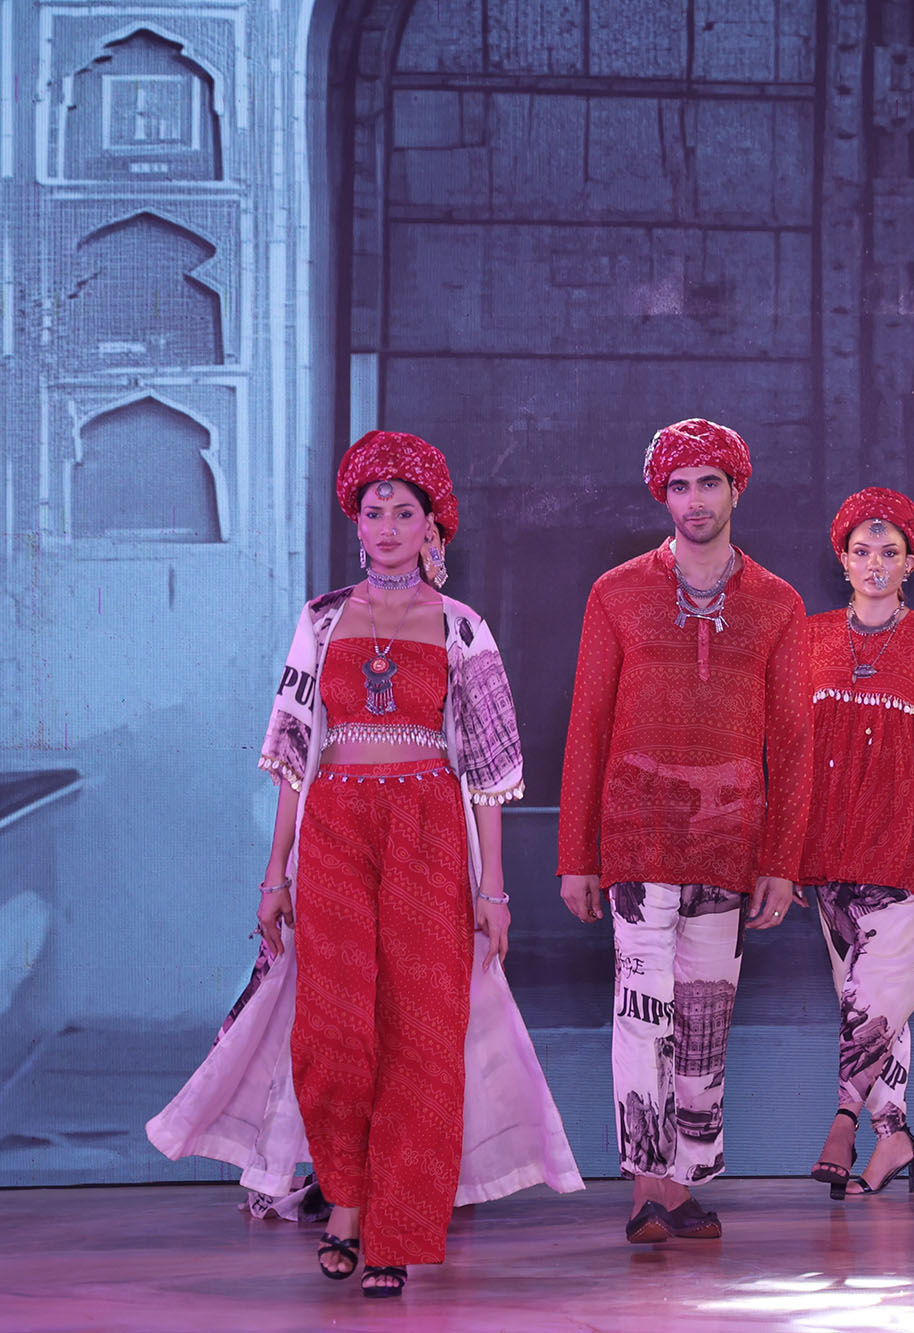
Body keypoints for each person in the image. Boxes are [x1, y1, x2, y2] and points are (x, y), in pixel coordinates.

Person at [149, 430, 583, 1299]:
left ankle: (396, 1231)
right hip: (337, 826)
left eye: (403, 512)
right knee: (333, 1027)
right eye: (373, 511)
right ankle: (344, 1204)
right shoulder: (320, 620)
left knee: (421, 1029)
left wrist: (493, 889)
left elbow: (491, 769)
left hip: (428, 826)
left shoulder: (462, 627)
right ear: (357, 522)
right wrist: (275, 874)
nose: (386, 526)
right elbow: (291, 752)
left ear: (432, 526)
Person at [556, 418, 812, 1245]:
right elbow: (587, 724)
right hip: (638, 833)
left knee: (706, 1015)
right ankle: (646, 1188)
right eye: (679, 485)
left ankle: (684, 1182)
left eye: (708, 483)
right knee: (642, 1008)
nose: (694, 499)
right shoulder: (617, 591)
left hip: (732, 842)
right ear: (661, 495)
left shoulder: (778, 603)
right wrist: (576, 855)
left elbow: (793, 742)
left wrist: (782, 861)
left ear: (736, 489)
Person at [799, 489, 914, 1199]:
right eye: (861, 551)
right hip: (831, 855)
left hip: (913, 854)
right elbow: (790, 749)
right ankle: (894, 1137)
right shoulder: (808, 638)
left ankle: (842, 1121)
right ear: (842, 559)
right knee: (871, 1005)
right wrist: (786, 850)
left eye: (889, 553)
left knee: (870, 1007)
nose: (874, 564)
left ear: (910, 561)